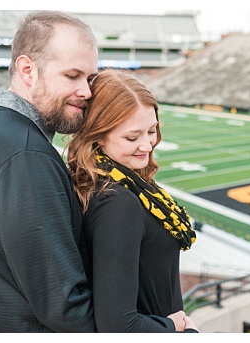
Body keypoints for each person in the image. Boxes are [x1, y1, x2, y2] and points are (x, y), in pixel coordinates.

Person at [0, 10, 100, 332]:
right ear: (27, 70)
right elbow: (63, 304)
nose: (87, 91)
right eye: (72, 76)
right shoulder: (25, 154)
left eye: (90, 78)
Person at [66, 69, 199, 332]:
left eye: (151, 130)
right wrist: (178, 331)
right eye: (132, 137)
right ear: (98, 135)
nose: (147, 145)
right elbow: (118, 325)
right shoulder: (117, 202)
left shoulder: (122, 181)